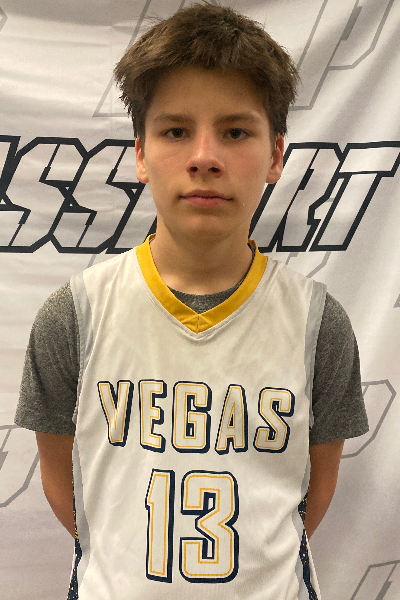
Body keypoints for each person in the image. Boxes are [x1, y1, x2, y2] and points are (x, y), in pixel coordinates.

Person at [14, 2, 369, 599]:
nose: (205, 157)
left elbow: (313, 493)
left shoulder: (317, 322)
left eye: (235, 132)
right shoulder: (75, 314)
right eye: (176, 131)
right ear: (140, 154)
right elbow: (64, 485)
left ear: (276, 155)